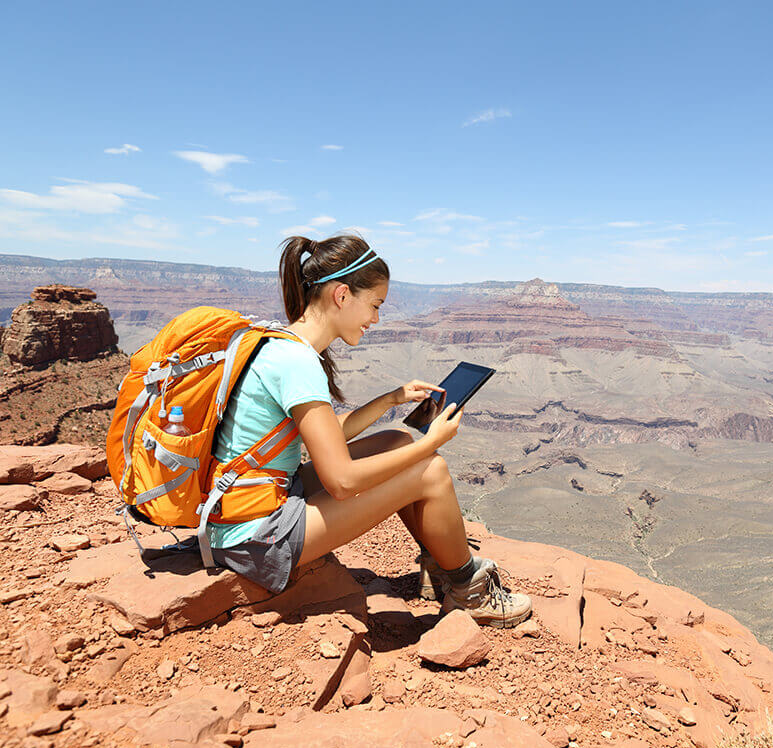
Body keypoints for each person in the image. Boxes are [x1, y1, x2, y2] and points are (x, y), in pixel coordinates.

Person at [205, 233, 531, 628]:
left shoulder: (282, 343)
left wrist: (391, 400)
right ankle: (469, 590)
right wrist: (433, 442)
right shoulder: (297, 363)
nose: (375, 319)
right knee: (431, 469)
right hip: (256, 536)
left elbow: (327, 434)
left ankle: (440, 564)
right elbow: (341, 481)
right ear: (342, 295)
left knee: (396, 440)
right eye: (374, 305)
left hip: (250, 503)